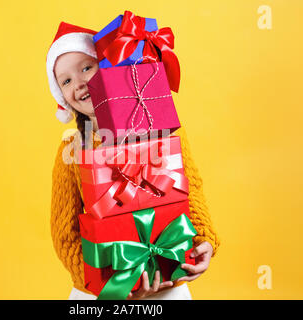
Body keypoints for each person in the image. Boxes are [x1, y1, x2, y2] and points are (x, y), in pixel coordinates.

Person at [47, 22, 220, 300]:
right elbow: (65, 233)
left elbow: (191, 189)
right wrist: (108, 285)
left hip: (168, 278)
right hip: (105, 292)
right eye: (65, 81)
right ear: (63, 98)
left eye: (86, 67)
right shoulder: (72, 149)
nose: (78, 83)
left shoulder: (164, 129)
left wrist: (203, 240)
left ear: (107, 68)